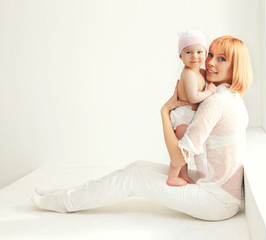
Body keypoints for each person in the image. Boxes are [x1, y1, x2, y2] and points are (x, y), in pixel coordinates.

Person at [32, 35, 253, 221]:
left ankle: (65, 202)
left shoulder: (215, 102)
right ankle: (67, 194)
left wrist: (165, 112)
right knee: (137, 166)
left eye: (222, 59)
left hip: (216, 200)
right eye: (211, 54)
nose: (211, 62)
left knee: (134, 178)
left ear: (236, 66)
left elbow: (178, 157)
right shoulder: (231, 96)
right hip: (220, 190)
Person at [168, 29, 217, 186]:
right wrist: (209, 91)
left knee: (185, 150)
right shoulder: (189, 73)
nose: (194, 56)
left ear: (205, 53)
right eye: (188, 52)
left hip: (190, 114)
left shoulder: (199, 71)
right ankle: (172, 177)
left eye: (199, 51)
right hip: (183, 115)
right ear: (180, 56)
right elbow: (193, 97)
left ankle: (184, 175)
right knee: (181, 150)